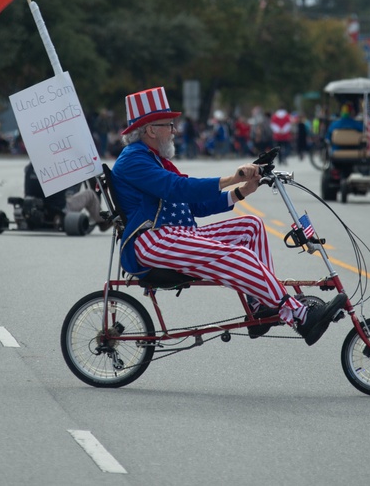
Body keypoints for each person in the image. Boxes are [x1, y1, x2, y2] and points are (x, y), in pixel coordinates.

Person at [111, 86, 345, 346]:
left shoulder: (155, 159)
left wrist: (242, 191)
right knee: (239, 255)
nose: (174, 130)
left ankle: (261, 306)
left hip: (177, 234)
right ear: (151, 130)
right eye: (169, 124)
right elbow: (178, 189)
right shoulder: (133, 160)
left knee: (251, 226)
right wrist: (232, 178)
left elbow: (194, 205)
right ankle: (297, 314)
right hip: (151, 241)